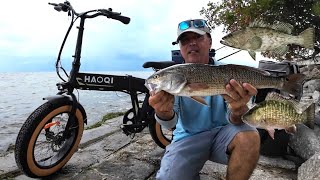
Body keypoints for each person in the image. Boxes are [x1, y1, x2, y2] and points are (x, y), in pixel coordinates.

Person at [149, 19, 260, 180]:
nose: (191, 43)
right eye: (185, 40)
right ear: (180, 48)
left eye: (198, 37)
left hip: (224, 134)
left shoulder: (230, 71)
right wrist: (162, 112)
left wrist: (239, 109)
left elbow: (237, 120)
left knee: (250, 136)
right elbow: (170, 124)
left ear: (210, 42)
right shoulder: (174, 78)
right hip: (187, 138)